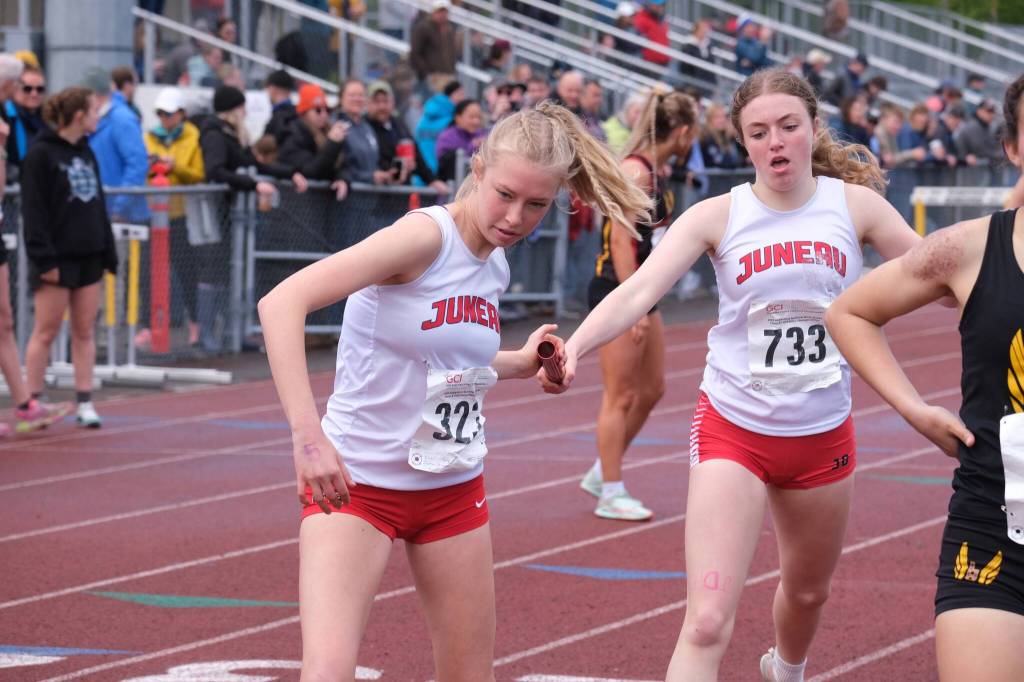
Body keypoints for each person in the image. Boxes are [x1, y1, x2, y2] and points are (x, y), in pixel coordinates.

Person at [543, 68, 923, 682]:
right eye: (758, 132)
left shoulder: (855, 208)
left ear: (813, 129)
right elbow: (636, 289)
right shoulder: (718, 215)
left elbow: (938, 272)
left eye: (788, 127)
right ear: (743, 143)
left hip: (821, 432)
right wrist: (578, 344)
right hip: (734, 428)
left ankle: (786, 669)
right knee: (706, 620)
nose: (775, 142)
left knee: (806, 596)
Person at [257, 101, 652, 680]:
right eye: (505, 194)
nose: (516, 217)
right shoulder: (422, 238)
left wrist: (519, 364)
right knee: (328, 673)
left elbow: (445, 357)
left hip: (451, 486)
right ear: (478, 167)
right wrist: (307, 436)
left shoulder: (494, 264)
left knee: (470, 674)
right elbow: (280, 303)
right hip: (358, 484)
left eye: (537, 204)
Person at [824, 74, 1024, 682]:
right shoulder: (968, 249)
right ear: (1014, 149)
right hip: (995, 527)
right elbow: (849, 311)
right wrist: (913, 407)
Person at [579, 90, 697, 521]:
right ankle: (611, 490)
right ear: (682, 131)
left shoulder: (656, 170)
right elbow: (618, 239)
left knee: (653, 388)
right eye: (694, 131)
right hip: (619, 290)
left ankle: (599, 471)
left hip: (644, 292)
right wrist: (635, 306)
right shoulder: (636, 170)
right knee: (621, 395)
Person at [21, 87, 119, 428]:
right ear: (79, 114)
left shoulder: (87, 151)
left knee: (84, 330)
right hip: (56, 257)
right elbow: (33, 211)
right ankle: (32, 400)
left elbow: (98, 204)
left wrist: (109, 251)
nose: (97, 117)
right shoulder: (41, 155)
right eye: (93, 111)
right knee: (45, 331)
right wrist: (43, 260)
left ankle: (84, 400)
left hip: (89, 253)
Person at [196, 85, 308, 353]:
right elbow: (216, 171)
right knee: (214, 272)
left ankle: (232, 333)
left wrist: (289, 172)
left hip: (232, 215)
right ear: (233, 109)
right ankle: (208, 333)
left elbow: (256, 164)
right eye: (241, 106)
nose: (245, 111)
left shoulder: (232, 135)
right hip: (218, 214)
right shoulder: (215, 135)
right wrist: (252, 185)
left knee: (233, 271)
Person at [140, 87, 206, 350]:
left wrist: (173, 166)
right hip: (154, 212)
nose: (165, 119)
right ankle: (149, 325)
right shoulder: (149, 137)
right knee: (149, 272)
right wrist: (151, 164)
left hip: (179, 215)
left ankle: (195, 323)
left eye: (169, 114)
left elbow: (197, 173)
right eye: (161, 114)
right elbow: (142, 169)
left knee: (185, 271)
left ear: (181, 114)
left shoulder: (192, 136)